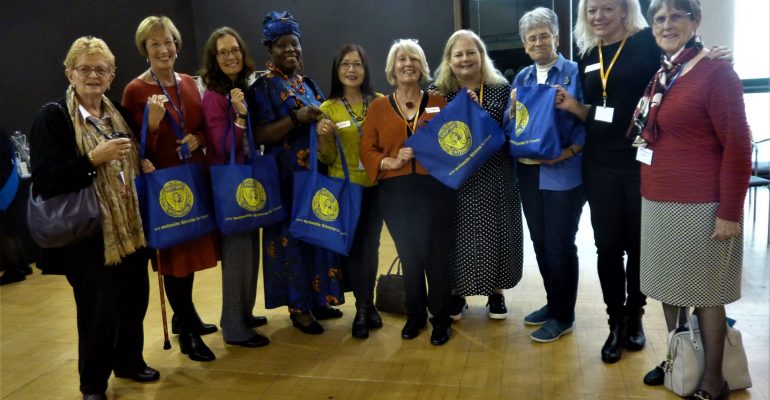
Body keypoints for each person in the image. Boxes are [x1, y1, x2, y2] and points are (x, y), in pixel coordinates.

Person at [29, 36, 158, 400]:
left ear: (112, 75)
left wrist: (141, 164)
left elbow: (130, 159)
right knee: (98, 310)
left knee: (134, 298)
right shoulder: (52, 117)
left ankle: (129, 362)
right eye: (84, 68)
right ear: (69, 72)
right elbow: (46, 180)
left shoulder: (117, 112)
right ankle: (93, 385)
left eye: (100, 69)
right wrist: (91, 161)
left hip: (128, 227)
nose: (92, 76)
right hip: (87, 235)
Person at [636, 1, 751, 398]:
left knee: (705, 295)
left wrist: (730, 212)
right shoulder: (665, 73)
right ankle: (680, 359)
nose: (666, 25)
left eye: (676, 16)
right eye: (659, 19)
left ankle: (713, 379)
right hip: (658, 202)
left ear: (695, 21)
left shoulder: (715, 71)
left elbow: (739, 146)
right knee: (669, 288)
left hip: (701, 207)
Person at [122, 15, 219, 362]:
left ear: (177, 46)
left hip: (193, 178)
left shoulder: (190, 83)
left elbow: (205, 128)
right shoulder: (136, 90)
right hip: (164, 185)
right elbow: (133, 150)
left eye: (169, 42)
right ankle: (188, 335)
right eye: (154, 44)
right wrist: (152, 126)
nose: (163, 49)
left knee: (190, 255)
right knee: (176, 258)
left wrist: (199, 138)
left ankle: (185, 315)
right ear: (144, 50)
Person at [246, 11, 344, 335]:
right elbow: (260, 135)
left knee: (316, 234)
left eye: (295, 45)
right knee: (292, 243)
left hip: (314, 175)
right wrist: (296, 119)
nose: (290, 50)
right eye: (282, 45)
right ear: (269, 50)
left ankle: (318, 299)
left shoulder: (310, 84)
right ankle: (299, 307)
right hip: (285, 180)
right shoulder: (263, 88)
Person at [360, 39, 454, 345]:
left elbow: (456, 140)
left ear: (422, 66)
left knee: (436, 257)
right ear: (392, 68)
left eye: (413, 58)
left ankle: (440, 319)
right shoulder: (377, 107)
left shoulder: (440, 101)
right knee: (410, 256)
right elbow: (366, 149)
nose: (407, 64)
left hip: (435, 190)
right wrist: (387, 160)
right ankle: (415, 315)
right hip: (396, 192)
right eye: (401, 59)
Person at [430, 29, 523, 321]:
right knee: (458, 236)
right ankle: (457, 293)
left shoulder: (501, 87)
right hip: (457, 179)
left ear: (481, 56)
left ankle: (496, 292)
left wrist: (478, 111)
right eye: (458, 54)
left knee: (497, 233)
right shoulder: (437, 92)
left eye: (471, 52)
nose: (465, 58)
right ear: (449, 60)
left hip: (495, 174)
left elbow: (512, 131)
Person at [511, 8, 586, 343]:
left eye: (544, 35)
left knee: (559, 245)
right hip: (528, 173)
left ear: (557, 37)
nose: (538, 42)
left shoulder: (575, 72)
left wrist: (569, 151)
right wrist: (511, 112)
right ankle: (553, 303)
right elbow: (510, 127)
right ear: (525, 45)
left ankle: (564, 315)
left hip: (564, 173)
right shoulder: (522, 79)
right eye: (531, 38)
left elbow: (591, 120)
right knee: (540, 243)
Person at [199, 27, 269, 348]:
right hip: (228, 185)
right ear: (214, 59)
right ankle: (234, 326)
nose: (231, 56)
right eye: (223, 52)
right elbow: (222, 143)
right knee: (237, 254)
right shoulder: (215, 96)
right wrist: (240, 118)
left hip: (246, 181)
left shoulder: (237, 87)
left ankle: (244, 312)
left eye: (235, 50)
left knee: (249, 249)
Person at [315, 44, 384, 339]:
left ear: (366, 69)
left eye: (357, 64)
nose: (352, 70)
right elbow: (325, 159)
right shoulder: (326, 108)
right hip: (345, 188)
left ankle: (368, 304)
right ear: (336, 70)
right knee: (357, 250)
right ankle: (363, 308)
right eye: (345, 64)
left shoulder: (380, 102)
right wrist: (322, 139)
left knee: (372, 247)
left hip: (377, 186)